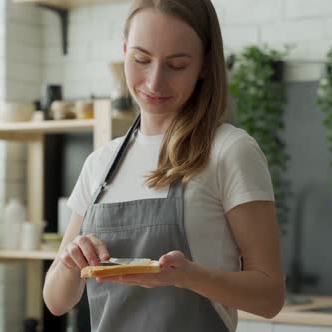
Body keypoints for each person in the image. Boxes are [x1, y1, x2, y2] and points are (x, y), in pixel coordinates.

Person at [43, 0, 285, 330]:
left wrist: (189, 277)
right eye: (141, 60)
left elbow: (270, 297)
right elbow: (57, 301)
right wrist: (73, 259)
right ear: (125, 49)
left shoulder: (230, 151)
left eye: (177, 65)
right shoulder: (100, 163)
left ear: (204, 64)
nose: (154, 82)